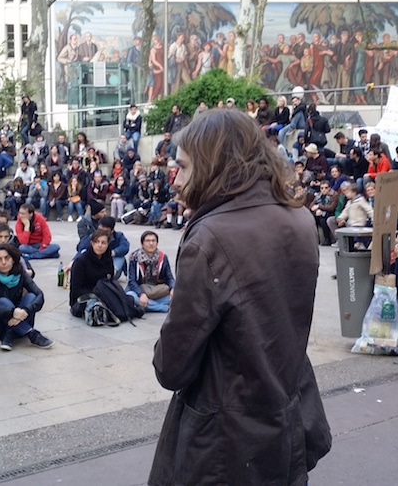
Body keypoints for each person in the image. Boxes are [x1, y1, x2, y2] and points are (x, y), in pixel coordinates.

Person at [149, 109, 331, 484]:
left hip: (225, 440)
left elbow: (171, 368)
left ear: (212, 163)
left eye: (182, 167)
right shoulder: (298, 218)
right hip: (285, 414)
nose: (176, 180)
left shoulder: (210, 238)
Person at [0, 244, 53, 351]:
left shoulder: (21, 273)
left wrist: (25, 310)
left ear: (13, 259)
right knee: (3, 301)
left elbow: (39, 295)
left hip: (22, 315)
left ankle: (10, 332)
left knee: (31, 296)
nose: (3, 262)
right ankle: (31, 333)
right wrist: (11, 312)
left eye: (7, 258)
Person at [68, 228, 115, 317]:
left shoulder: (108, 259)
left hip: (103, 295)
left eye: (103, 243)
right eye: (97, 242)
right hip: (83, 298)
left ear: (108, 244)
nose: (99, 245)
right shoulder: (81, 261)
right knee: (97, 307)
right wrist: (98, 293)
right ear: (92, 243)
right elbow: (76, 290)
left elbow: (110, 281)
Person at [126, 230, 175, 313]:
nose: (151, 243)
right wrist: (141, 294)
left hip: (157, 291)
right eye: (148, 241)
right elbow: (132, 281)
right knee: (130, 297)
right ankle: (163, 308)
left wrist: (173, 288)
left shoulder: (163, 257)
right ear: (142, 243)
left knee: (179, 297)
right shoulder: (134, 257)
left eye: (153, 241)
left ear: (157, 243)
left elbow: (169, 277)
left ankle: (147, 305)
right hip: (139, 290)